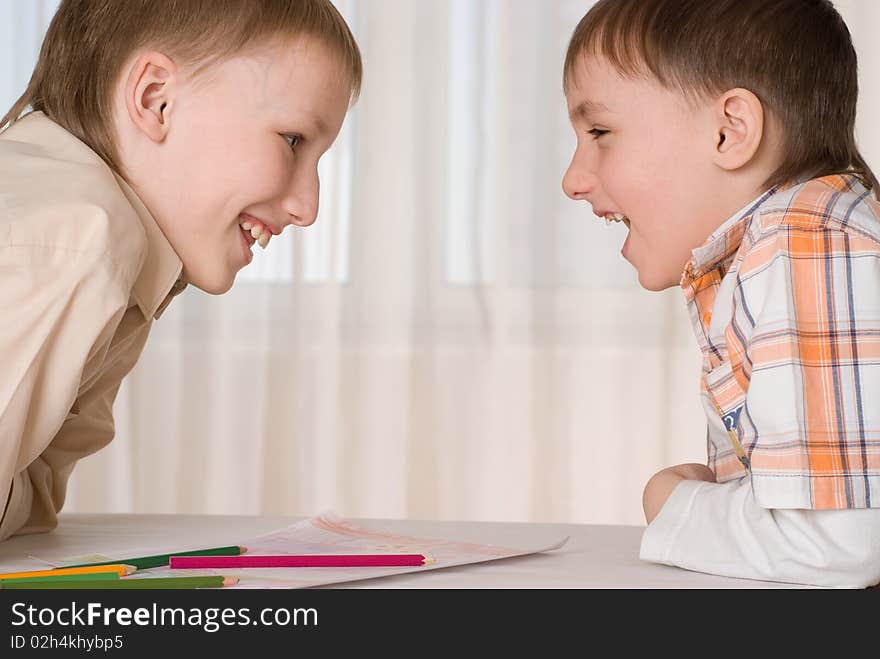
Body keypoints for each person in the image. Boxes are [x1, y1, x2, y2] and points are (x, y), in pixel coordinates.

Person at [0, 0, 361, 542]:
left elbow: (34, 499)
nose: (308, 207)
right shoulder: (80, 239)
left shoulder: (125, 260)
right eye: (292, 141)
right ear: (156, 99)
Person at [562, 0, 880, 588]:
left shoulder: (805, 244)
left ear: (729, 130)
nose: (573, 180)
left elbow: (838, 545)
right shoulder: (785, 246)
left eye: (600, 132)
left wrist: (674, 504)